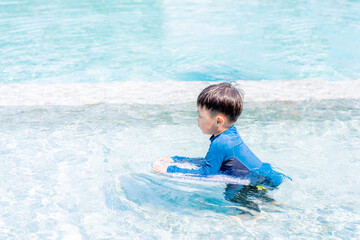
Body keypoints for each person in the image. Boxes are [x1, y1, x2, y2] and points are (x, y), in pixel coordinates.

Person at [152, 82, 287, 189]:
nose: (197, 119)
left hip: (258, 181)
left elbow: (206, 174)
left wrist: (169, 169)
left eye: (200, 115)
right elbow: (210, 162)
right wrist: (177, 159)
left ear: (218, 121)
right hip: (262, 177)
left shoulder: (221, 143)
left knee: (232, 197)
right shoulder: (228, 135)